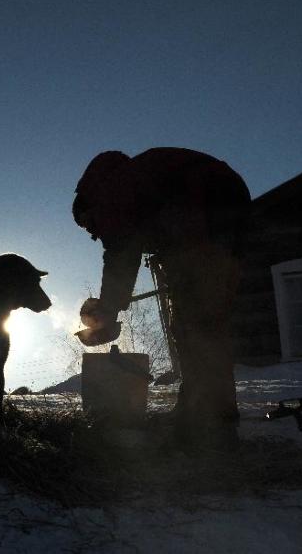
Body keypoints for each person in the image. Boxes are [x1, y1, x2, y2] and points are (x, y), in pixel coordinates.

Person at [73, 147, 251, 447]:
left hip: (204, 211)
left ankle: (208, 429)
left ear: (88, 207)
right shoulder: (141, 179)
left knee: (195, 327)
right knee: (207, 324)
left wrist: (108, 310)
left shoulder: (108, 190)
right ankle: (208, 421)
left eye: (88, 225)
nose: (93, 232)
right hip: (229, 209)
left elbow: (120, 251)